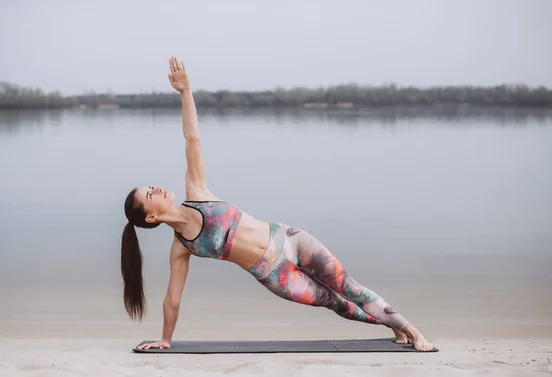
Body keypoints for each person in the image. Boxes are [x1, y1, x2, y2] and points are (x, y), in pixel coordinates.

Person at [122, 56, 434, 352]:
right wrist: (165, 339)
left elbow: (192, 139)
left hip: (290, 240)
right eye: (150, 194)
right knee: (335, 302)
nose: (158, 189)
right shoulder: (181, 247)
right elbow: (173, 299)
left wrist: (186, 91)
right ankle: (391, 326)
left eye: (151, 187)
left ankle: (411, 329)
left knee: (347, 286)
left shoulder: (197, 191)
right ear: (150, 217)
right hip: (274, 275)